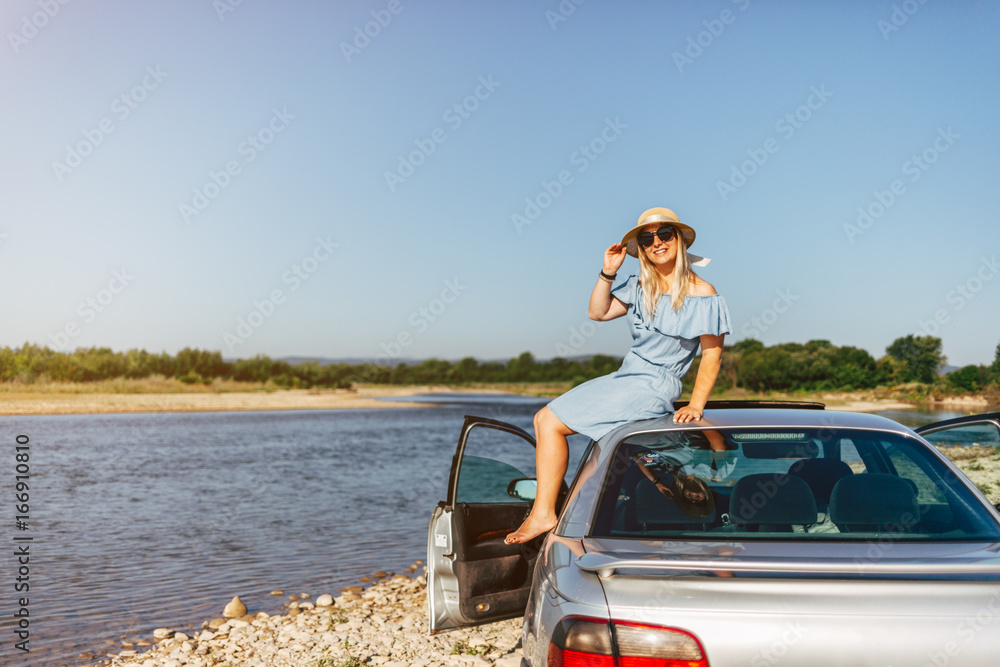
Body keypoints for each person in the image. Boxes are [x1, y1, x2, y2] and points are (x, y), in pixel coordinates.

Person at [505, 207, 732, 544]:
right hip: (628, 374)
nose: (656, 242)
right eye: (646, 238)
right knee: (571, 433)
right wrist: (607, 273)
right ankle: (575, 512)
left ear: (679, 240)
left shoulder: (702, 292)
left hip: (655, 383)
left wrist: (696, 406)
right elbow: (598, 313)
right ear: (640, 247)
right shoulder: (640, 284)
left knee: (547, 420)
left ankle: (543, 513)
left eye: (664, 234)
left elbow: (712, 355)